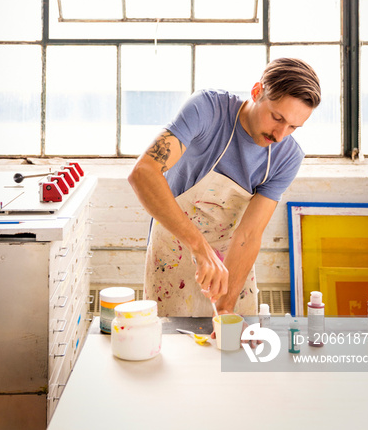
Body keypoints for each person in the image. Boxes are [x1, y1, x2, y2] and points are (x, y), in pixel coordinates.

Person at [128, 57, 321, 318]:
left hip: (230, 261)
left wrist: (226, 306)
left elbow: (249, 234)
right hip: (173, 247)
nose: (279, 135)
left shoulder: (287, 157)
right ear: (257, 91)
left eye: (293, 128)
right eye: (277, 118)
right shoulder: (207, 109)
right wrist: (199, 247)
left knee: (228, 349)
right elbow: (143, 173)